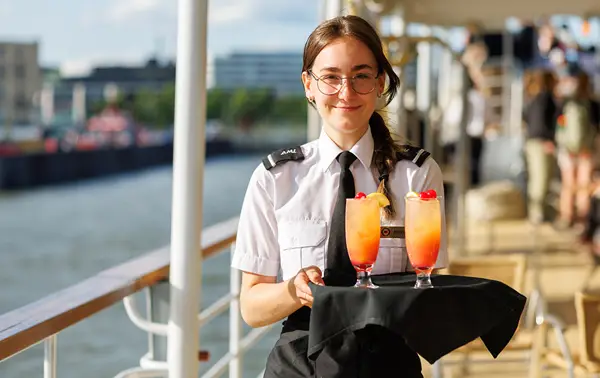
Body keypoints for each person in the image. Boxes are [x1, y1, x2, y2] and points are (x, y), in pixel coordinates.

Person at [231, 15, 448, 378]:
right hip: (298, 367)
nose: (345, 93)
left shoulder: (416, 175)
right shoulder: (275, 178)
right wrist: (293, 290)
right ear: (308, 85)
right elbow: (252, 308)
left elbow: (429, 291)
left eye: (361, 76)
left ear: (380, 83)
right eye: (330, 77)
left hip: (387, 365)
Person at [554, 66, 600, 227]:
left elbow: (559, 126)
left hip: (567, 150)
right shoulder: (593, 104)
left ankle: (566, 216)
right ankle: (583, 219)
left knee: (568, 184)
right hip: (587, 150)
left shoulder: (565, 103)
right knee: (584, 184)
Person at [522, 69, 558, 223]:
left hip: (531, 142)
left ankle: (537, 211)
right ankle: (538, 213)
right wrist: (547, 139)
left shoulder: (532, 98)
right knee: (541, 179)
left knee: (536, 179)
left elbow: (526, 119)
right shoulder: (545, 98)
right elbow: (542, 122)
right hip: (541, 143)